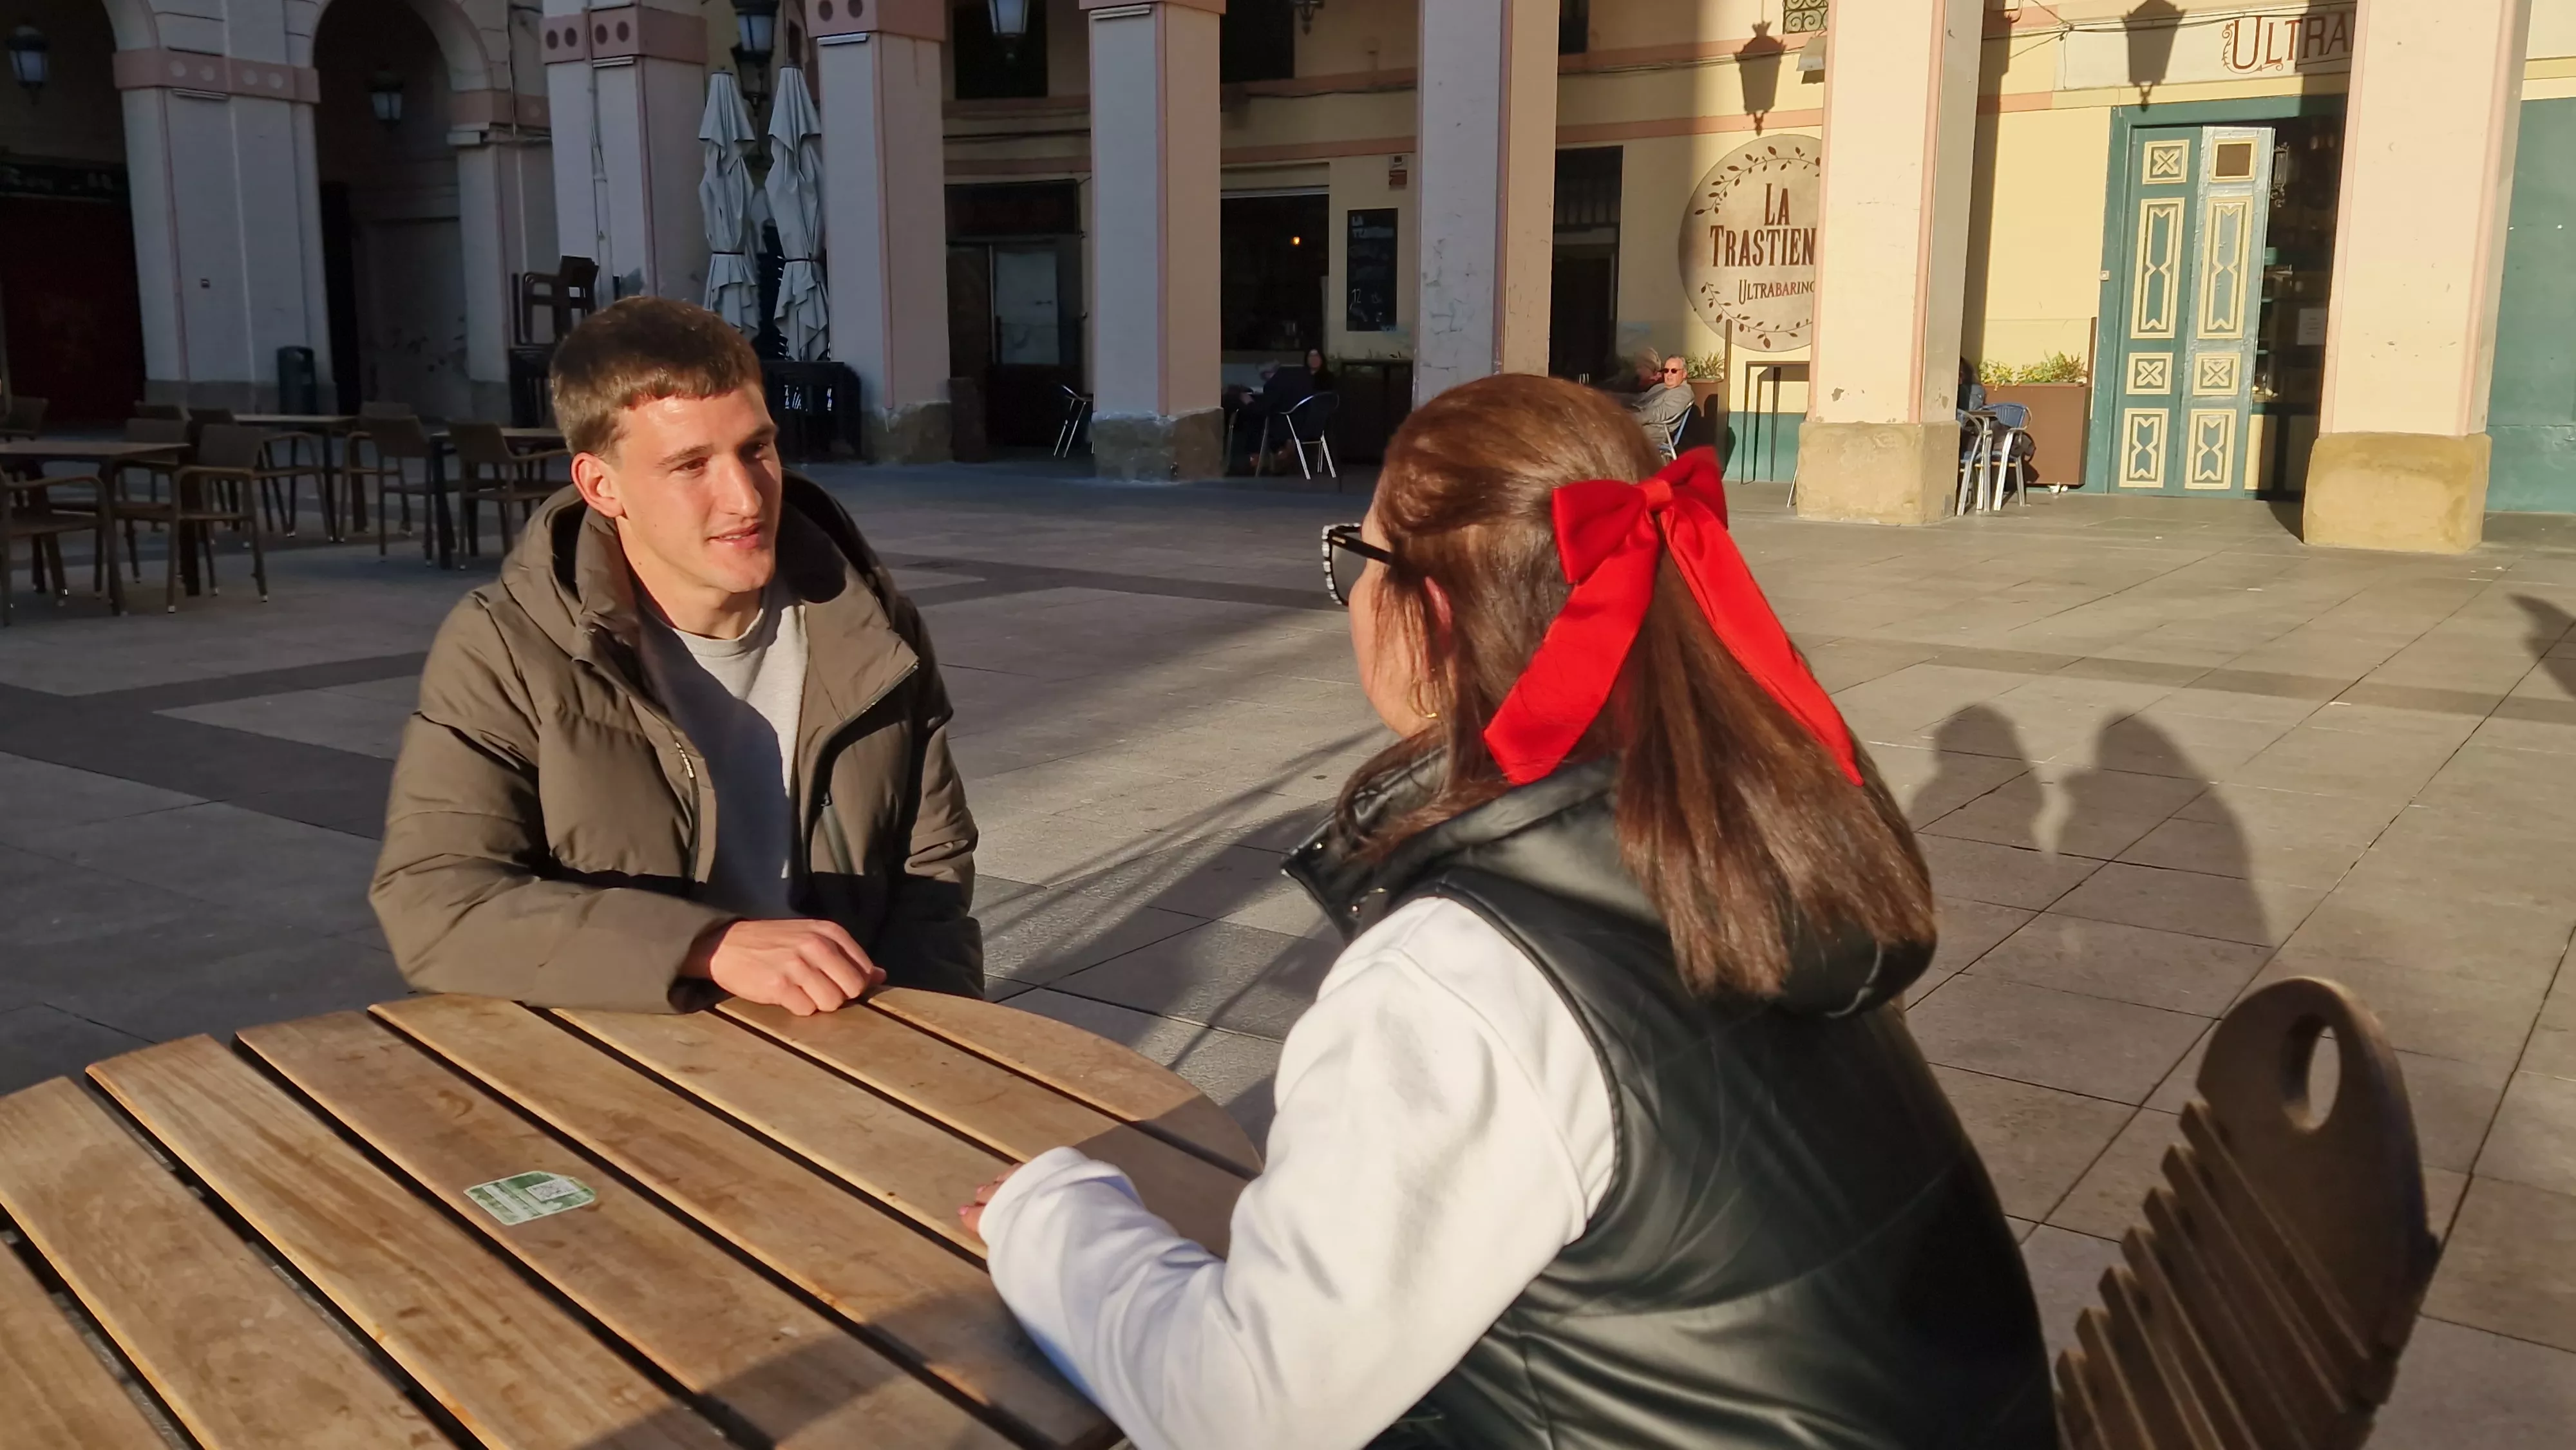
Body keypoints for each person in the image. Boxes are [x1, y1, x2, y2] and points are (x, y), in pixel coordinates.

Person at [962, 375, 2052, 1450]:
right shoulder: (1748, 838)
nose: (1349, 597)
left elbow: (1238, 1407)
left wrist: (1051, 1215)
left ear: (1431, 609)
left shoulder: (1468, 975)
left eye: (1360, 558)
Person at [370, 297, 981, 1017]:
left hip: (831, 1045)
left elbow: (929, 882)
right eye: (691, 464)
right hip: (605, 1045)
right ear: (602, 486)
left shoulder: (873, 628)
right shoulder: (508, 646)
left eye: (757, 449)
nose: (746, 497)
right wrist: (705, 944)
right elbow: (437, 902)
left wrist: (934, 1053)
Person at [1623, 352, 1697, 456]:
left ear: (1684, 374)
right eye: (1666, 371)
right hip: (1642, 423)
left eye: (1674, 371)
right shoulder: (1662, 387)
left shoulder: (1683, 393)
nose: (1669, 374)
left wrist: (1632, 418)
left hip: (1654, 430)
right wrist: (1609, 397)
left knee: (1612, 432)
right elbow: (1640, 398)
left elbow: (1659, 413)